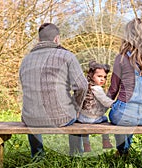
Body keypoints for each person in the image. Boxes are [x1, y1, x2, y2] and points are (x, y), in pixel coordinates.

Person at [19, 23, 88, 158]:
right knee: (76, 115)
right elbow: (82, 86)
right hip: (60, 118)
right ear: (57, 39)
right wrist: (76, 107)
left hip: (30, 119)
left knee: (32, 112)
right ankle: (75, 155)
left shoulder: (25, 60)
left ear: (39, 40)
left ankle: (38, 157)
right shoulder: (67, 56)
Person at [107, 18, 142, 156]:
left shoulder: (120, 58)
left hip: (124, 114)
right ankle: (123, 150)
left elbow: (113, 90)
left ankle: (122, 150)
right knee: (129, 114)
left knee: (121, 114)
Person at [78, 61, 114, 152]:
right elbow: (105, 101)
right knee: (105, 119)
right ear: (91, 75)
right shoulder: (97, 88)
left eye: (105, 77)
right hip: (93, 118)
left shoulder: (85, 86)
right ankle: (106, 141)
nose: (102, 79)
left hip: (82, 118)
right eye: (99, 76)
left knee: (84, 129)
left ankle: (86, 145)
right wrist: (115, 104)